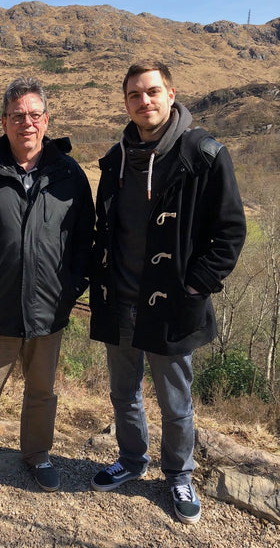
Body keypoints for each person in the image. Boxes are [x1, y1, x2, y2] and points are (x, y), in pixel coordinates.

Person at [89, 61, 246, 524]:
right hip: (120, 300)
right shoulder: (116, 157)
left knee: (176, 402)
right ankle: (133, 460)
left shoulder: (205, 154)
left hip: (174, 305)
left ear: (171, 94)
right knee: (124, 394)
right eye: (135, 95)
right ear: (126, 103)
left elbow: (230, 231)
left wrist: (196, 284)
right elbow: (104, 226)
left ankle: (179, 473)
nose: (145, 101)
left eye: (153, 92)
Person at [0, 76, 95, 505]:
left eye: (33, 115)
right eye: (16, 115)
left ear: (46, 120)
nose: (25, 123)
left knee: (42, 391)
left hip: (49, 310)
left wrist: (72, 288)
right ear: (3, 121)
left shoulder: (69, 174)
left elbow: (86, 237)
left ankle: (37, 455)